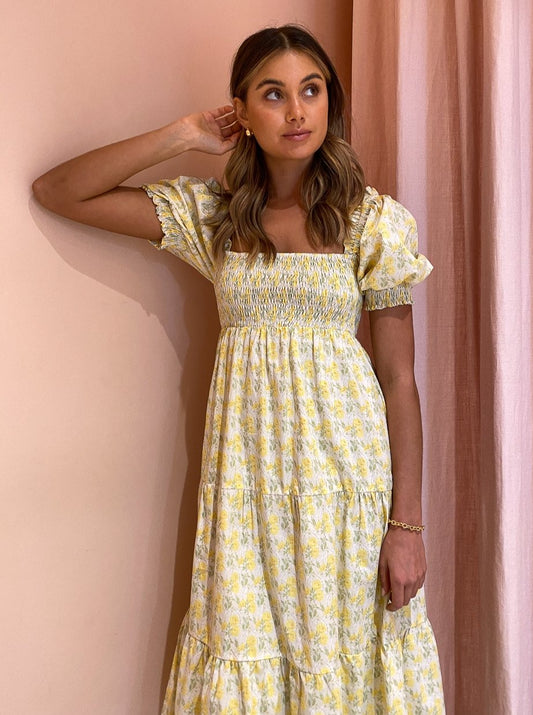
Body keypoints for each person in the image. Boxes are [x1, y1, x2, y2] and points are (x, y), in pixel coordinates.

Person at [33, 24, 445, 714]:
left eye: (311, 90)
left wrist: (407, 526)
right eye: (273, 94)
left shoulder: (373, 223)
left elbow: (400, 381)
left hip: (345, 490)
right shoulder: (217, 219)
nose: (297, 111)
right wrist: (184, 135)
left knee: (343, 658)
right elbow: (60, 190)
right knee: (247, 655)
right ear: (243, 112)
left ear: (331, 102)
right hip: (245, 492)